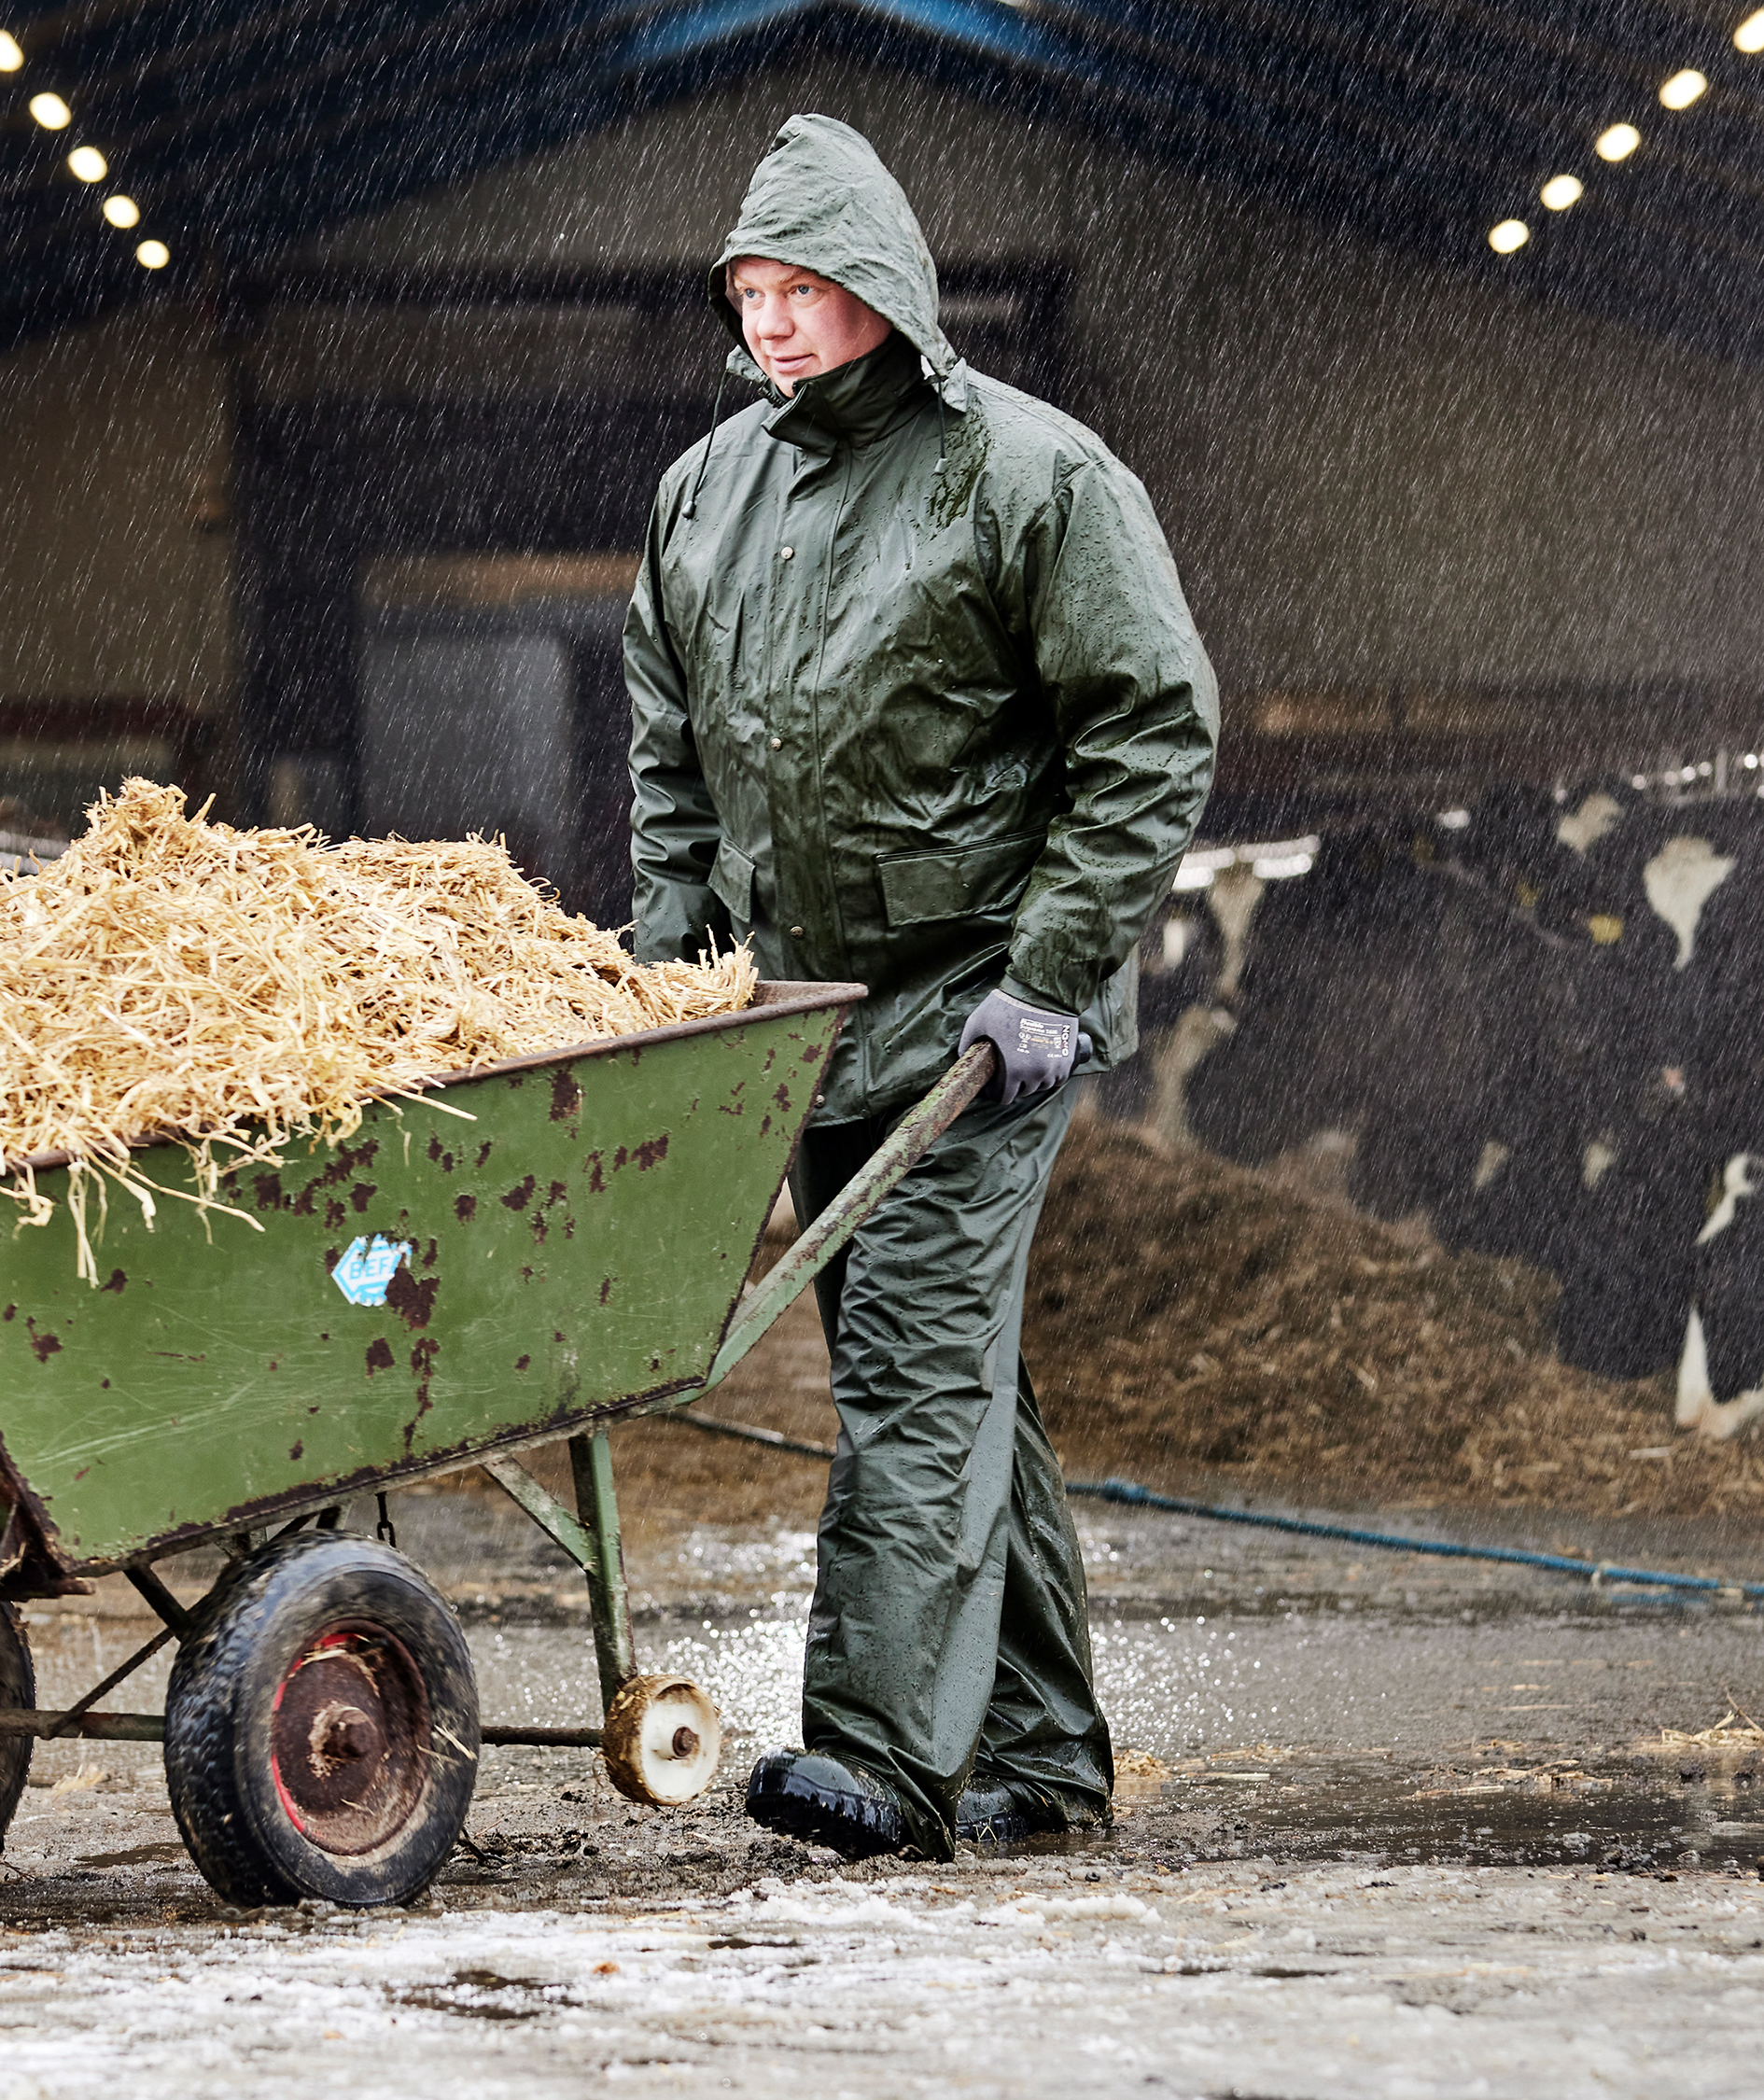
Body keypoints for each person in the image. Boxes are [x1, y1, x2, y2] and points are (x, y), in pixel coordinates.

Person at [625, 113, 1218, 1861]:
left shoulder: (1033, 477)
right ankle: (1040, 1749)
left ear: (881, 285)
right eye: (749, 292)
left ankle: (881, 1757)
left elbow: (1149, 728)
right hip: (807, 1020)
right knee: (957, 1377)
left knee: (908, 1366)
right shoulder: (703, 493)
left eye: (805, 288)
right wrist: (674, 987)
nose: (773, 322)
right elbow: (674, 765)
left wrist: (1050, 972)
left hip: (977, 1018)